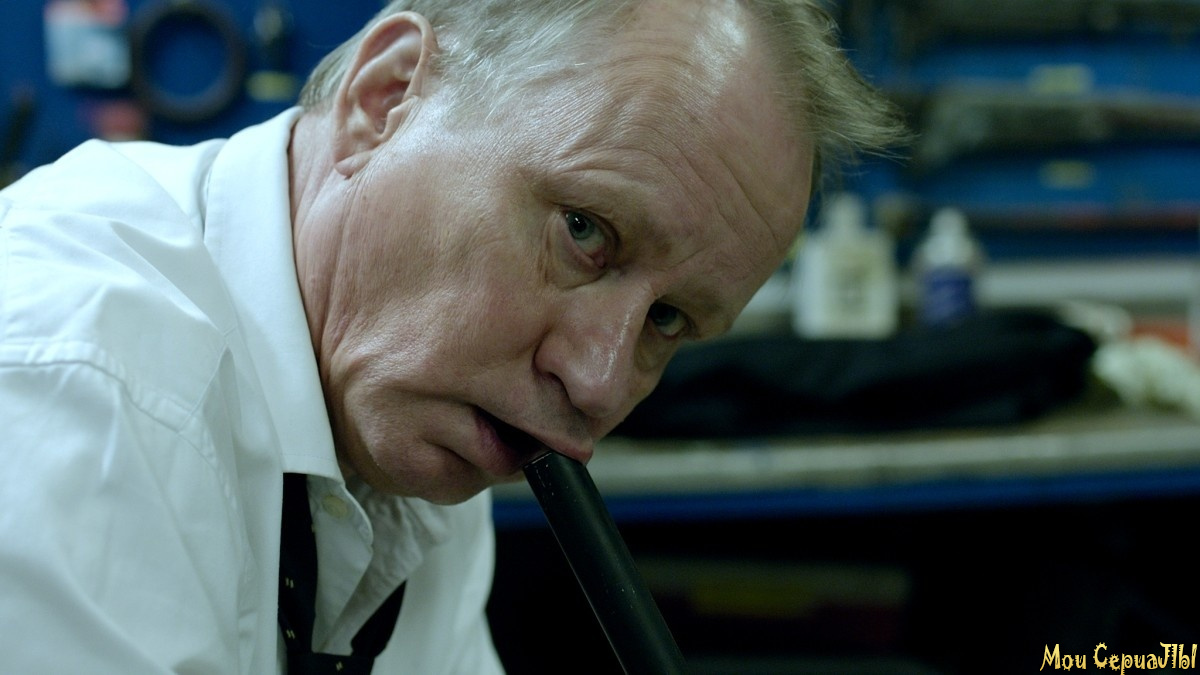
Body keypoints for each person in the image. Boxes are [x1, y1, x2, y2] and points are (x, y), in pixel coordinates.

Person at [0, 0, 904, 672]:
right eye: (584, 231)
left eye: (668, 320)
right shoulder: (77, 386)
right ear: (385, 98)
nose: (596, 381)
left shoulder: (418, 410)